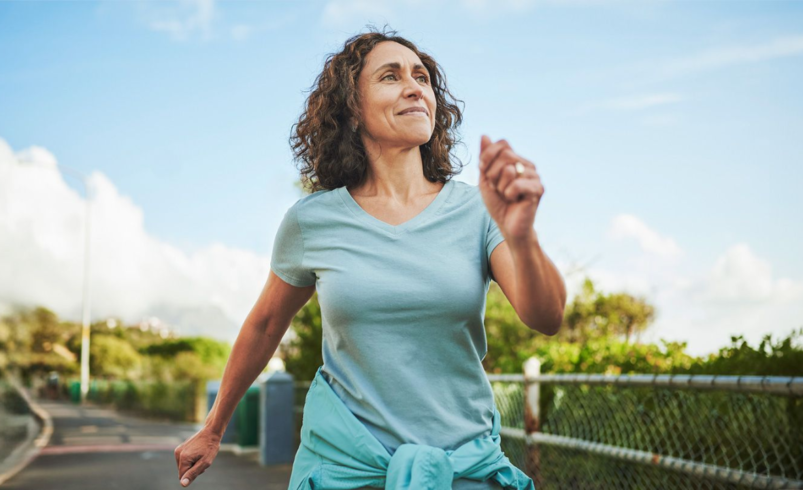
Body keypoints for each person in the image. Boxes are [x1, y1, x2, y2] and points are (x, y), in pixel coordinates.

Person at [174, 25, 566, 489]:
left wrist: (523, 237)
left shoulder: (478, 209)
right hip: (345, 469)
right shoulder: (312, 221)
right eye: (391, 76)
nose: (414, 87)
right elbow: (263, 325)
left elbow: (546, 316)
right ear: (353, 112)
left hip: (462, 469)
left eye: (421, 77)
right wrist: (214, 427)